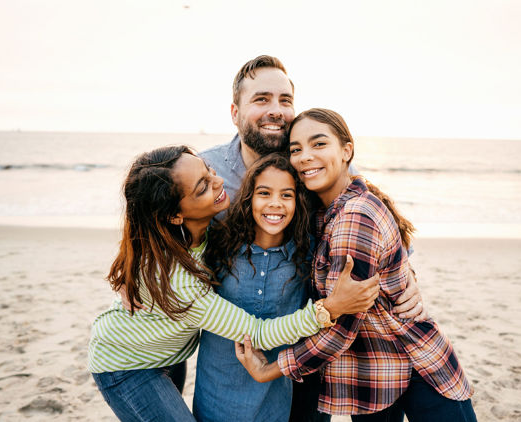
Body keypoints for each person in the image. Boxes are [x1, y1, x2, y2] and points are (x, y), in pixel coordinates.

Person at [197, 55, 428, 421]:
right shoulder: (208, 171)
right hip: (228, 347)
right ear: (234, 111)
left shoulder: (316, 167)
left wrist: (408, 280)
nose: (276, 110)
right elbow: (161, 222)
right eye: (261, 99)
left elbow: (382, 235)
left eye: (285, 100)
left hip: (310, 344)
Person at [88, 145, 380, 421]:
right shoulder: (180, 282)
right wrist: (328, 309)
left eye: (209, 171)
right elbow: (256, 334)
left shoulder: (202, 230)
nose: (217, 183)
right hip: (126, 365)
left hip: (167, 352)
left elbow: (141, 235)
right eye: (202, 187)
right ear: (174, 215)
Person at [236, 109, 477, 422]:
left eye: (319, 144)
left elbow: (341, 326)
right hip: (370, 376)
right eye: (296, 149)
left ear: (346, 151)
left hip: (416, 364)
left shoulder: (355, 217)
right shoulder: (322, 212)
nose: (305, 156)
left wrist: (270, 369)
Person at [194, 153, 317, 421]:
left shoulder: (307, 256)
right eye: (264, 193)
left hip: (272, 399)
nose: (275, 204)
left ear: (298, 202)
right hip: (215, 392)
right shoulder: (219, 245)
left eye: (287, 195)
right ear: (249, 198)